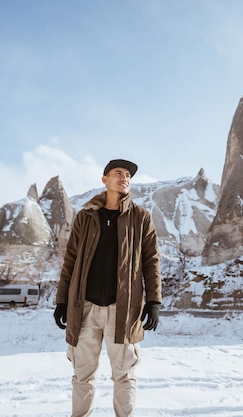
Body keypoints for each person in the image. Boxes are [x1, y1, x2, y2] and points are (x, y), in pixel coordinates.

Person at [53, 158, 162, 417]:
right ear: (105, 179)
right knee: (82, 374)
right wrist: (61, 301)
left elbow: (151, 260)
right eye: (118, 173)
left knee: (124, 374)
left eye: (128, 175)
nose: (124, 178)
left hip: (124, 309)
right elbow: (70, 260)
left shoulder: (141, 217)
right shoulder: (85, 217)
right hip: (85, 307)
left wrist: (154, 301)